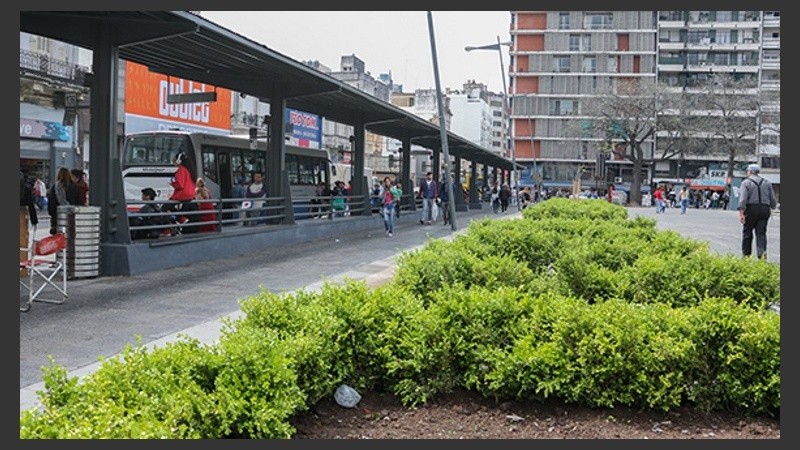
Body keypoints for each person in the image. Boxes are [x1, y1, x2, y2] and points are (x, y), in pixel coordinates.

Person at [737, 164, 777, 259]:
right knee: (761, 234)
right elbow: (773, 200)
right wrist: (772, 206)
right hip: (764, 209)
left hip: (751, 209)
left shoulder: (746, 183)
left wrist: (741, 213)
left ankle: (746, 256)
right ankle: (762, 257)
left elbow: (743, 199)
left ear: (750, 171)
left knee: (747, 233)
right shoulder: (767, 182)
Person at [163, 151, 199, 234]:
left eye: (175, 160)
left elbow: (180, 184)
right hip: (190, 196)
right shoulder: (190, 171)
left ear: (179, 161)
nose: (174, 162)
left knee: (165, 208)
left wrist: (172, 183)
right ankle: (181, 219)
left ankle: (172, 227)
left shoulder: (181, 170)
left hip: (181, 195)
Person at [47, 167, 81, 234]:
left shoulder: (56, 187)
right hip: (71, 217)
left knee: (60, 237)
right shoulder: (74, 187)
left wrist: (52, 214)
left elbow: (51, 204)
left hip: (59, 217)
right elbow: (78, 203)